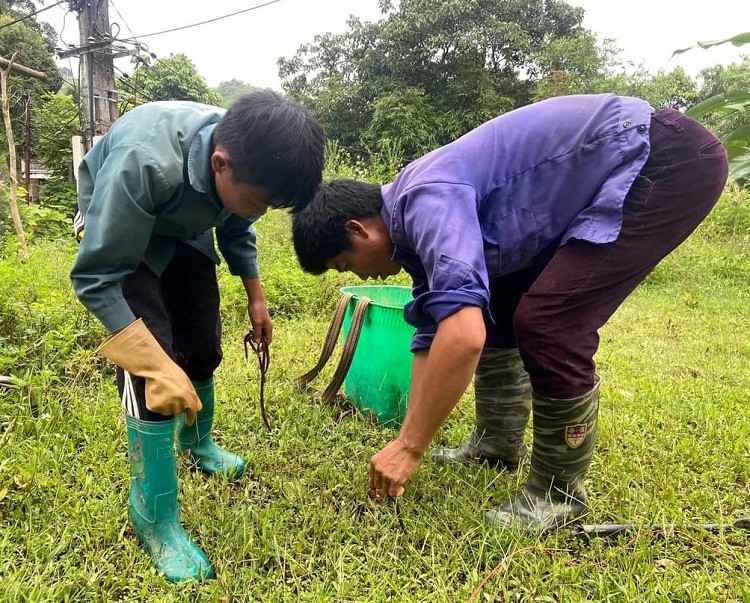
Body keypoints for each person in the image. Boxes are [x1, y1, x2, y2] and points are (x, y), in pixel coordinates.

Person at [291, 93, 728, 533]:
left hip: (661, 159)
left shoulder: (426, 199)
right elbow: (433, 333)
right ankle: (495, 447)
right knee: (497, 304)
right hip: (625, 162)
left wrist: (410, 448)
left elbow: (463, 338)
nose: (363, 276)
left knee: (549, 324)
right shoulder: (409, 230)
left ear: (358, 229)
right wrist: (407, 435)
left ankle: (558, 494)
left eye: (347, 264)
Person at [71, 90, 324, 581]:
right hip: (118, 221)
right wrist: (155, 365)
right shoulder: (143, 162)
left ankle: (198, 442)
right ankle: (154, 516)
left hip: (183, 225)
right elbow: (95, 277)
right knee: (154, 373)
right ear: (219, 163)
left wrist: (256, 297)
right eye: (259, 201)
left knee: (202, 341)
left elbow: (237, 224)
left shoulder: (241, 166)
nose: (261, 211)